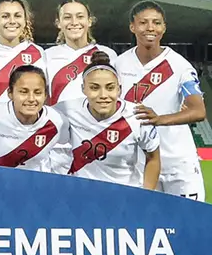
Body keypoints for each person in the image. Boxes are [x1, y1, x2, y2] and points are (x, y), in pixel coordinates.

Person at [114, 0, 206, 200]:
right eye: (143, 22)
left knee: (189, 224)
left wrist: (159, 119)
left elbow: (198, 111)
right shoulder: (118, 65)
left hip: (178, 162)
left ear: (164, 27)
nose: (150, 28)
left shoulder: (180, 66)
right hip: (139, 162)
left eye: (156, 22)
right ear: (132, 26)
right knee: (146, 226)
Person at [58, 51, 160, 189]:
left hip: (124, 196)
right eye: (94, 88)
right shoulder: (67, 109)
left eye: (110, 88)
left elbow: (153, 158)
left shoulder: (137, 116)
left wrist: (147, 194)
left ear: (119, 89)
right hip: (82, 195)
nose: (103, 95)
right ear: (83, 89)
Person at [44, 0, 117, 173]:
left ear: (89, 21)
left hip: (97, 143)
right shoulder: (47, 56)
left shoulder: (107, 54)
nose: (74, 22)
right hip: (59, 146)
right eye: (67, 17)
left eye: (80, 16)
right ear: (58, 23)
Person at [0, 65, 64, 171]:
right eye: (23, 92)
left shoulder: (57, 121)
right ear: (10, 93)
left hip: (35, 184)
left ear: (45, 95)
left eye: (38, 92)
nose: (31, 99)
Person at [0, 0, 46, 106]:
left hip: (27, 122)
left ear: (25, 20)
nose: (12, 21)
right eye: (5, 16)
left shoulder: (38, 53)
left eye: (17, 16)